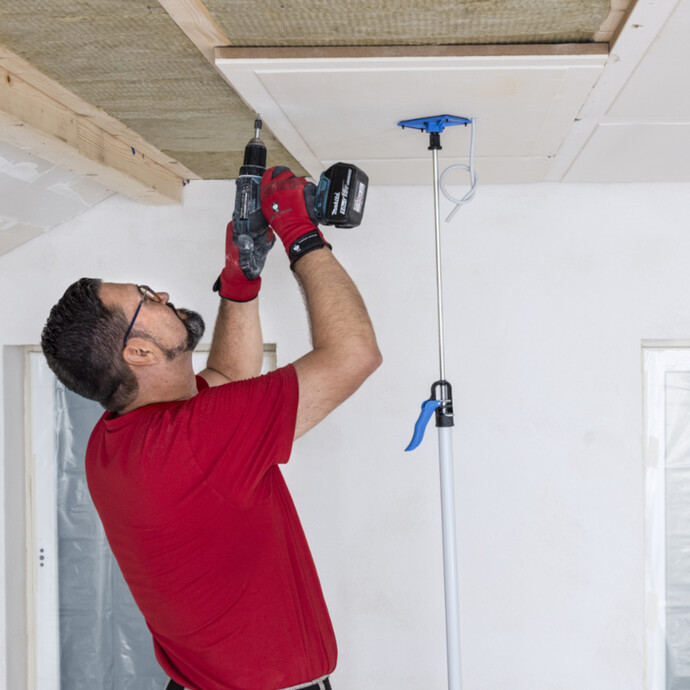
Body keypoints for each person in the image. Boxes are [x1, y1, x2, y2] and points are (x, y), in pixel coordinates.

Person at [40, 167, 382, 690]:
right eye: (147, 299)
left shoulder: (119, 440)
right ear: (139, 352)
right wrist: (301, 234)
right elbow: (354, 355)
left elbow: (226, 379)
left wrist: (240, 282)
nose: (162, 296)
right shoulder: (189, 441)